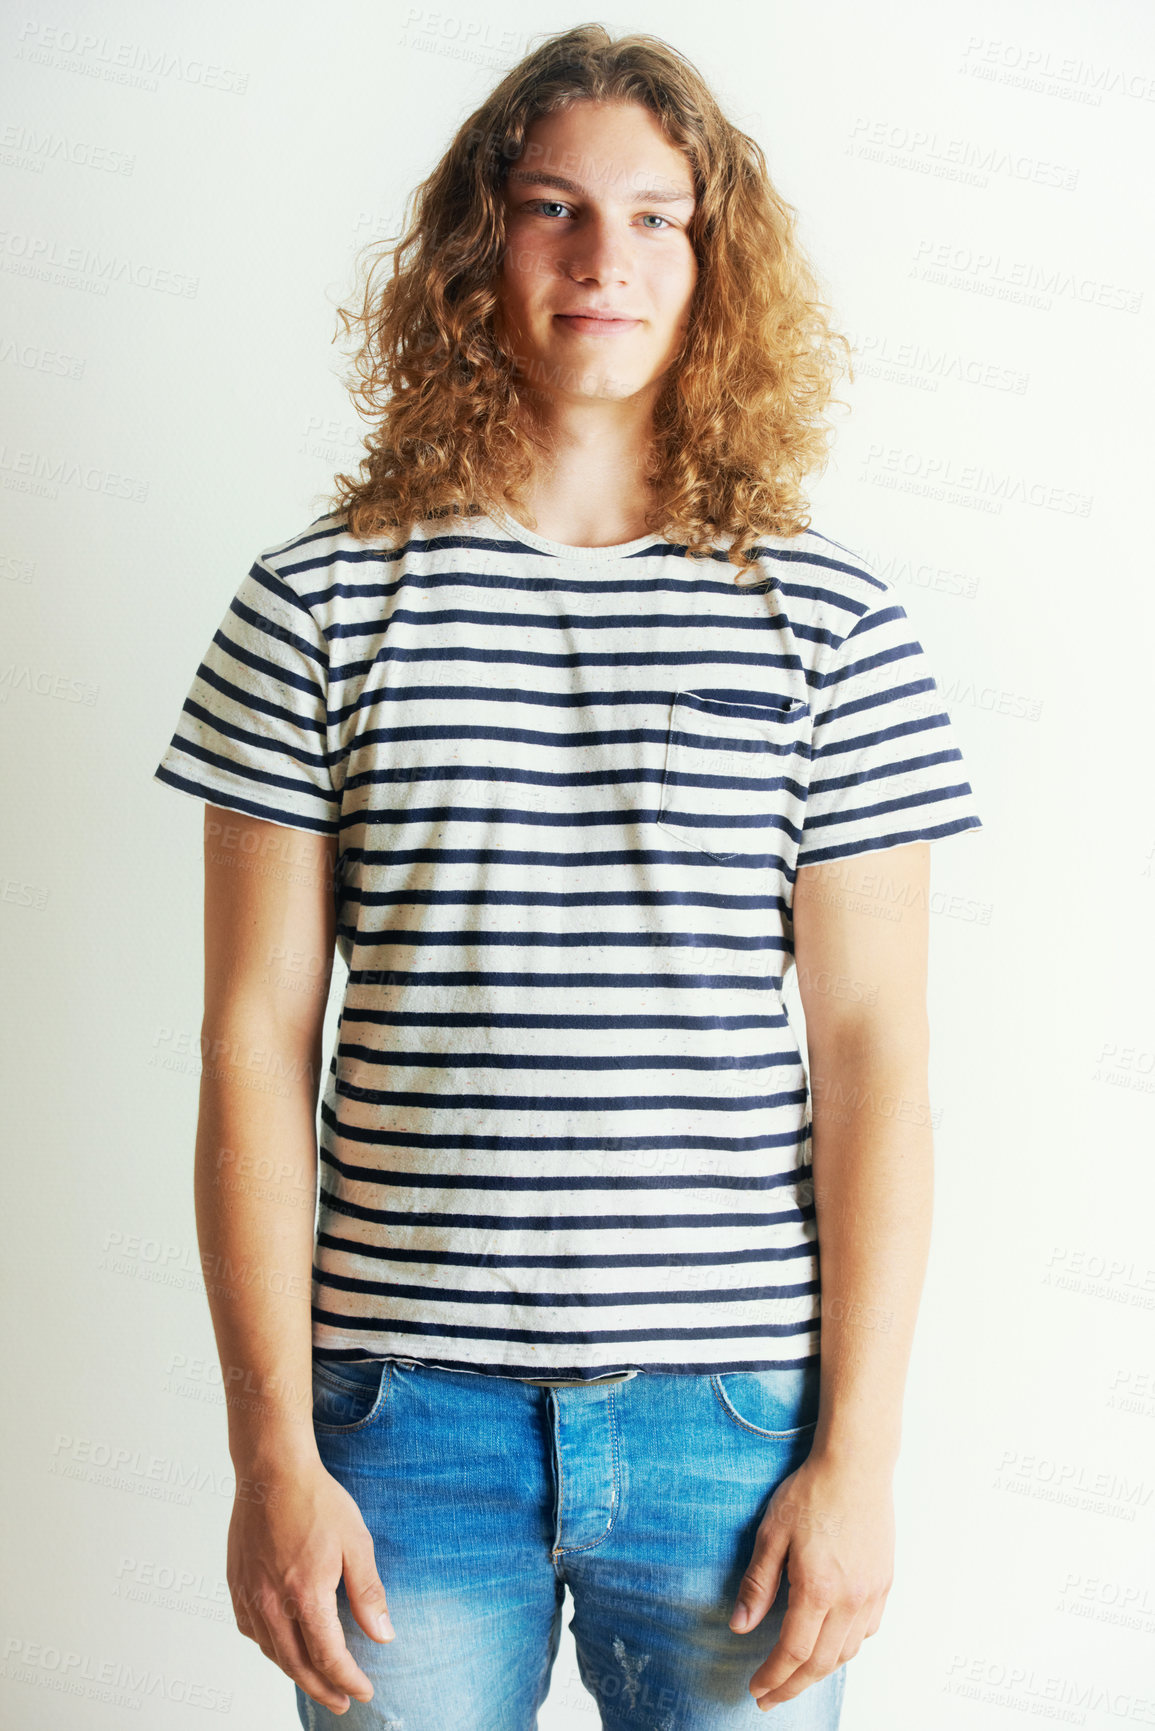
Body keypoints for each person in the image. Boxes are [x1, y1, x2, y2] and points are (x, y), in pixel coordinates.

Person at [153, 25, 983, 1731]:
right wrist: (273, 1451)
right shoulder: (314, 607)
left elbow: (879, 1056)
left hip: (733, 1439)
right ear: (480, 247)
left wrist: (862, 1460)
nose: (604, 258)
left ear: (714, 257)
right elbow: (250, 1043)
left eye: (656, 217)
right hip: (399, 1436)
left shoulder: (829, 624)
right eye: (552, 208)